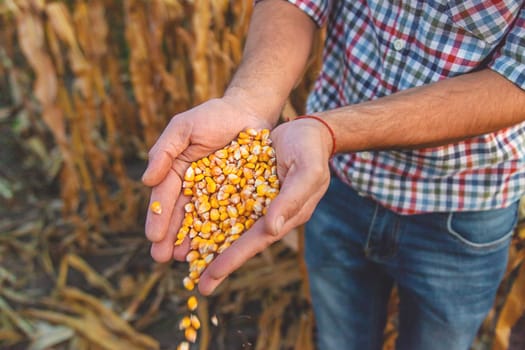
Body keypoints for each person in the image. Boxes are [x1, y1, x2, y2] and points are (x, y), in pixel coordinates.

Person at [142, 0, 525, 349]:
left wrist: (329, 131)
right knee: (340, 339)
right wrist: (248, 101)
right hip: (335, 186)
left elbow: (516, 82)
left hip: (465, 208)